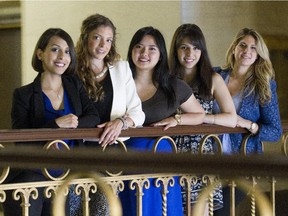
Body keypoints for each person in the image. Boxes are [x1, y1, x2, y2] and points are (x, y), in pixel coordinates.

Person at [4, 28, 100, 216]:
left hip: (65, 175)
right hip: (31, 177)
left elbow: (93, 117)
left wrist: (71, 123)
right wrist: (56, 125)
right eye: (55, 49)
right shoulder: (23, 95)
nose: (62, 56)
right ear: (40, 53)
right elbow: (21, 139)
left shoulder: (74, 85)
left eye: (67, 51)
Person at [119, 26, 205, 216]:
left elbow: (199, 114)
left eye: (152, 49)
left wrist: (177, 119)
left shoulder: (173, 85)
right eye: (139, 47)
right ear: (131, 50)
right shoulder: (118, 82)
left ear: (161, 55)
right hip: (123, 161)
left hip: (158, 162)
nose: (144, 53)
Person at [75, 14, 145, 215]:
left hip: (110, 152)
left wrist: (121, 122)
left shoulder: (121, 69)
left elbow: (138, 113)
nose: (103, 45)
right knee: (74, 210)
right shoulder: (72, 70)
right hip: (77, 151)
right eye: (97, 37)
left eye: (108, 40)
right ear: (85, 37)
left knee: (103, 210)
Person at [213, 28, 282, 215]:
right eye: (243, 45)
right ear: (234, 48)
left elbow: (275, 132)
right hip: (209, 159)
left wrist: (248, 124)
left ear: (259, 54)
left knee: (222, 212)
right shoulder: (216, 75)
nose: (247, 51)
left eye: (253, 47)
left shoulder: (263, 85)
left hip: (242, 163)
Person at [169, 23, 237, 214]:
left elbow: (231, 119)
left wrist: (202, 118)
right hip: (169, 153)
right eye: (184, 47)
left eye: (196, 48)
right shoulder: (167, 78)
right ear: (175, 51)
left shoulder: (212, 78)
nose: (190, 53)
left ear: (202, 51)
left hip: (200, 153)